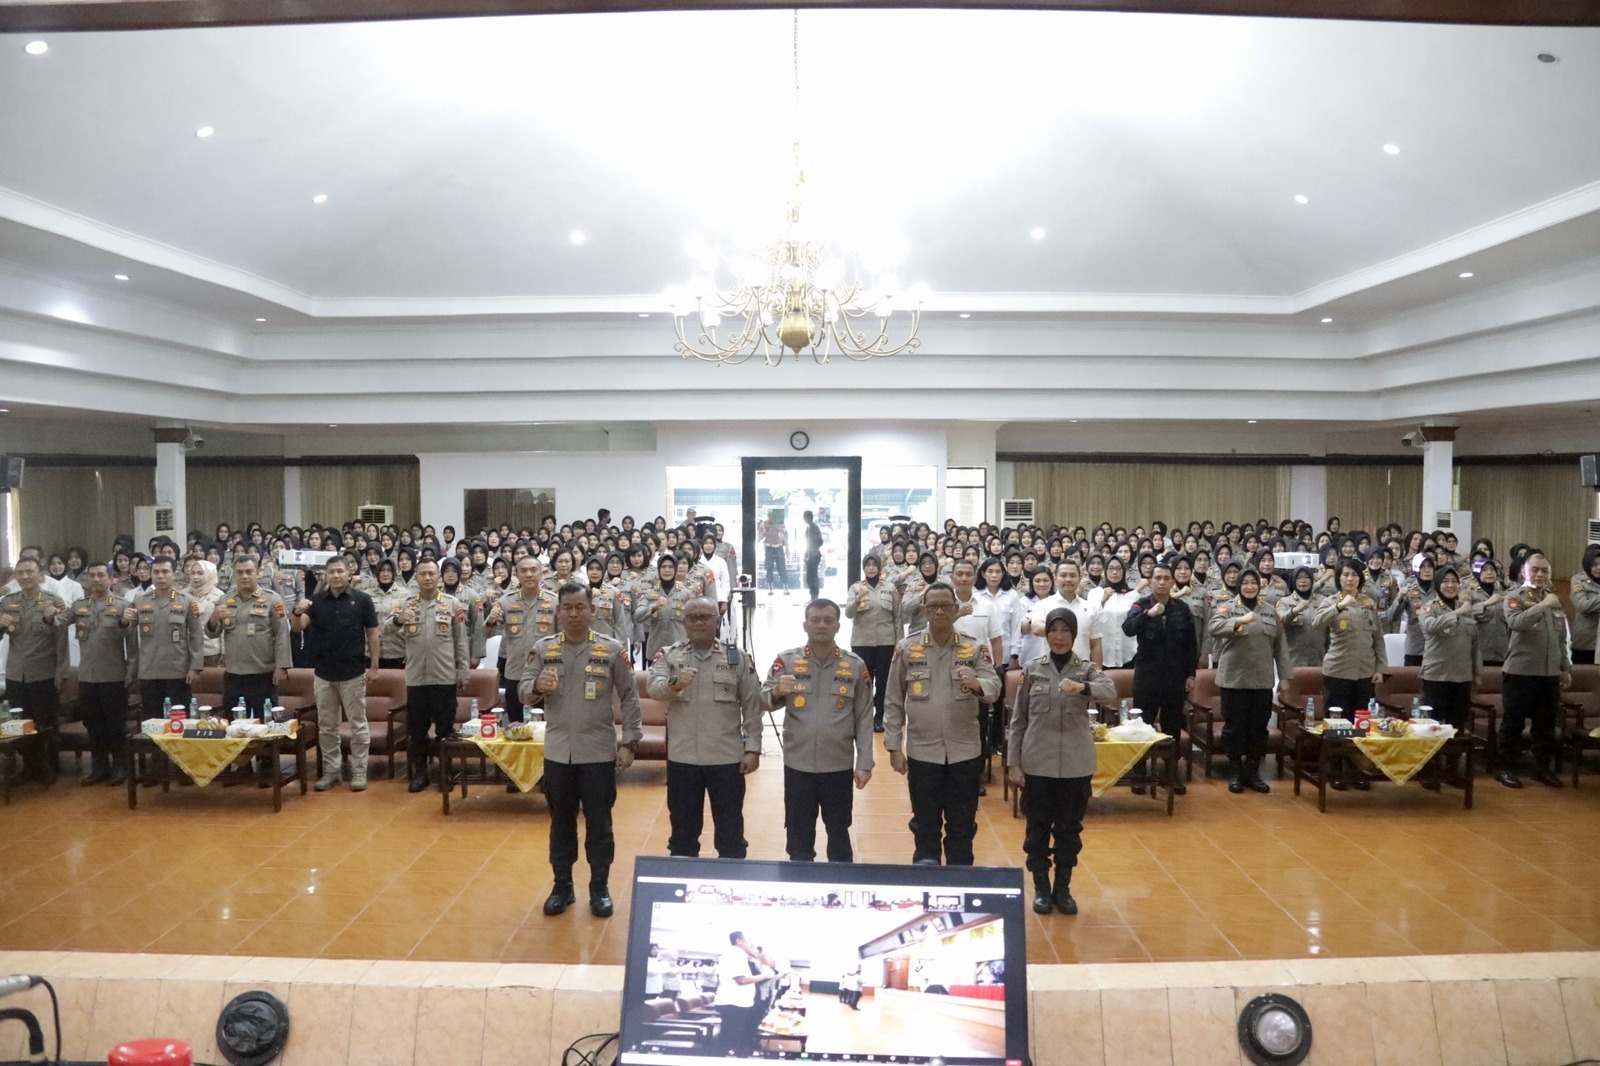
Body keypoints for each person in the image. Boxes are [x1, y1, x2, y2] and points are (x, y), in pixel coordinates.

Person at [521, 582, 642, 917]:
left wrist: (629, 742)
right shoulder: (543, 649)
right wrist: (535, 686)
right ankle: (563, 886)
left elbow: (630, 697)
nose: (573, 614)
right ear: (558, 611)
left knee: (600, 824)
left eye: (580, 607)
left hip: (599, 753)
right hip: (559, 753)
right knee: (560, 822)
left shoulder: (612, 649)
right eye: (567, 608)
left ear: (591, 610)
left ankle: (599, 887)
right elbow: (521, 691)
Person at [884, 581, 1001, 866]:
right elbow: (893, 699)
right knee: (925, 825)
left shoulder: (973, 648)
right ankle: (928, 881)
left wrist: (977, 684)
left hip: (965, 752)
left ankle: (960, 881)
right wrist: (893, 747)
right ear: (924, 610)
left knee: (962, 826)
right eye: (932, 606)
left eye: (945, 606)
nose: (939, 611)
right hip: (923, 752)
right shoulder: (907, 648)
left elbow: (994, 687)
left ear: (955, 609)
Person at [1007, 607, 1113, 915]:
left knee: (1069, 830)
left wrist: (1084, 688)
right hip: (1038, 764)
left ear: (1074, 635)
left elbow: (1110, 690)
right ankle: (1041, 886)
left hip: (1075, 766)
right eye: (1054, 630)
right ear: (1046, 634)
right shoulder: (1032, 668)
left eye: (1066, 631)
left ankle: (1062, 888)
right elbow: (1019, 720)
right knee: (1037, 829)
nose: (1059, 637)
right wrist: (1014, 763)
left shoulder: (1086, 668)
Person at [646, 597, 762, 859]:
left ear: (718, 621)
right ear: (684, 621)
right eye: (692, 617)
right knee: (683, 836)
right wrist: (674, 684)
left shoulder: (737, 657)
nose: (699, 622)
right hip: (683, 759)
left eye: (705, 617)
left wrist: (753, 747)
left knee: (731, 834)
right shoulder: (670, 654)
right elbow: (654, 688)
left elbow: (752, 704)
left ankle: (730, 885)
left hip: (726, 758)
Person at [761, 599, 875, 862]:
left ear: (838, 626)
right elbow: (760, 700)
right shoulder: (786, 661)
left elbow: (864, 717)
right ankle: (798, 888)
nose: (821, 625)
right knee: (798, 838)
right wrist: (778, 690)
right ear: (805, 625)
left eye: (827, 620)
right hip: (798, 765)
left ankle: (840, 888)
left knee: (839, 835)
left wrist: (865, 762)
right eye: (815, 620)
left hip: (838, 766)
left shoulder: (854, 665)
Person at [290, 557, 379, 792]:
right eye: (332, 572)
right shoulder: (316, 602)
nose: (336, 575)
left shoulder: (362, 600)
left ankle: (359, 770)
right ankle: (332, 772)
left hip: (353, 673)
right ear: (325, 576)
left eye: (340, 571)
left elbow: (372, 634)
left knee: (358, 725)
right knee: (327, 726)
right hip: (323, 675)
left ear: (349, 573)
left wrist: (375, 666)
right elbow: (298, 627)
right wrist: (296, 612)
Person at [1208, 569, 1293, 795]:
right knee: (1234, 730)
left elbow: (1281, 647)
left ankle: (1253, 773)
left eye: (1253, 583)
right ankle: (1235, 772)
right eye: (1244, 583)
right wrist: (1239, 621)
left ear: (1259, 586)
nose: (1248, 587)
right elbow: (1213, 628)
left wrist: (1284, 677)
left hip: (1261, 681)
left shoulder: (1269, 611)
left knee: (1258, 730)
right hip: (1233, 680)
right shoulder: (1228, 607)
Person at [391, 559, 470, 793]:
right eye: (422, 574)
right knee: (417, 730)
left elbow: (461, 640)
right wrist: (399, 619)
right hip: (416, 678)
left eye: (431, 574)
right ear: (416, 577)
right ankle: (421, 774)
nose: (427, 578)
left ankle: (445, 771)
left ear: (439, 577)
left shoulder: (451, 603)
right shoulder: (405, 604)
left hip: (444, 677)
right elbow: (386, 628)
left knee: (445, 729)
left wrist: (463, 670)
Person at [1120, 561, 1197, 795]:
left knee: (1172, 727)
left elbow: (1191, 646)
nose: (1162, 582)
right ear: (1150, 581)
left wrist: (1191, 674)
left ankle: (1171, 773)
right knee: (1142, 727)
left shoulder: (1182, 608)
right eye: (1158, 578)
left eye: (1166, 578)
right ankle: (1139, 772)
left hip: (1175, 678)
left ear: (1173, 582)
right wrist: (1148, 615)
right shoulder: (1140, 605)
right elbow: (1128, 628)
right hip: (1147, 677)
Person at [1496, 552, 1571, 789]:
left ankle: (1542, 768)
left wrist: (1564, 666)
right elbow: (1516, 623)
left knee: (1545, 724)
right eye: (1535, 570)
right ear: (1524, 573)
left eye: (1544, 571)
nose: (1540, 575)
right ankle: (1506, 768)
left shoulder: (1553, 598)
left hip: (1549, 672)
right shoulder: (1514, 596)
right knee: (1513, 723)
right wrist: (1541, 606)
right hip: (1521, 671)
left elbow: (1560, 637)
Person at [0, 558, 71, 784]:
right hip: (16, 673)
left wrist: (61, 671)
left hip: (44, 672)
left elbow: (61, 640)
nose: (25, 577)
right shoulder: (7, 602)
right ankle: (29, 766)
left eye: (29, 572)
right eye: (20, 573)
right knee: (20, 723)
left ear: (41, 574)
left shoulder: (53, 601)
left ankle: (48, 766)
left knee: (45, 723)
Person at [65, 561, 135, 785]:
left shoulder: (124, 605)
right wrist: (49, 613)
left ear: (111, 579)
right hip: (87, 677)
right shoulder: (79, 606)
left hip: (114, 676)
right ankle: (99, 767)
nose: (96, 579)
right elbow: (57, 622)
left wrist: (131, 674)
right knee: (93, 725)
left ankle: (120, 767)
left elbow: (131, 640)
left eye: (101, 575)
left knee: (115, 726)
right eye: (92, 576)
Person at [207, 556, 292, 717]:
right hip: (234, 674)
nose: (244, 576)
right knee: (233, 726)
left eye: (248, 572)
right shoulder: (225, 600)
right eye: (239, 572)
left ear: (258, 573)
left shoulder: (272, 599)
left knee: (265, 723)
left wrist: (282, 666)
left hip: (263, 674)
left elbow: (282, 635)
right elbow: (213, 633)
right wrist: (213, 618)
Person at [128, 556, 204, 722]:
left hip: (178, 671)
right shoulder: (140, 602)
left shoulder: (187, 601)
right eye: (156, 572)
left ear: (174, 574)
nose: (160, 576)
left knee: (179, 723)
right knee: (153, 723)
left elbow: (197, 635)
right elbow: (129, 634)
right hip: (149, 671)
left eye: (165, 571)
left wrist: (195, 667)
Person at [1313, 560, 1387, 717]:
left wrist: (1380, 668)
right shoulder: (1330, 602)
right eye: (1345, 574)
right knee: (1336, 725)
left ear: (1360, 578)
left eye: (1354, 575)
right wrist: (1339, 606)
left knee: (1362, 724)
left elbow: (1378, 638)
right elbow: (1317, 624)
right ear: (1339, 578)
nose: (1350, 579)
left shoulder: (1368, 603)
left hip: (1365, 673)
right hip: (1338, 672)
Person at [1419, 566, 1481, 738]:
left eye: (1454, 581)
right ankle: (1433, 763)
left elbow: (1474, 645)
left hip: (1462, 677)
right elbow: (1430, 626)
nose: (1450, 585)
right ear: (1438, 585)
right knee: (1433, 726)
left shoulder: (1466, 609)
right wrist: (1457, 612)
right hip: (1437, 676)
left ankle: (1453, 764)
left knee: (1458, 726)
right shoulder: (1429, 607)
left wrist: (1477, 673)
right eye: (1445, 581)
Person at [844, 556, 899, 733]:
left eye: (874, 565)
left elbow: (897, 618)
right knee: (864, 681)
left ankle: (879, 717)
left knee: (883, 682)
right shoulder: (855, 588)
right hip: (862, 642)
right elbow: (848, 613)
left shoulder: (890, 588)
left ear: (880, 567)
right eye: (867, 565)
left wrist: (899, 643)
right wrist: (857, 599)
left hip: (886, 641)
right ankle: (864, 716)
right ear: (863, 568)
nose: (871, 568)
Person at [714, 932, 780, 1055]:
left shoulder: (739, 955)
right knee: (729, 1041)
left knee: (734, 1039)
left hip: (738, 1003)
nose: (752, 943)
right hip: (733, 1003)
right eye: (749, 939)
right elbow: (742, 980)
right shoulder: (734, 955)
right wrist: (765, 975)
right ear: (739, 941)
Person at [634, 554, 694, 660]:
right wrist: (655, 606)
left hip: (679, 651)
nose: (667, 570)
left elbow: (693, 621)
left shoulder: (686, 594)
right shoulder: (649, 593)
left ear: (675, 569)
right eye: (663, 567)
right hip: (656, 652)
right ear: (658, 570)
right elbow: (638, 616)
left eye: (670, 567)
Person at [1569, 546, 1600, 665]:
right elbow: (1582, 605)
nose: (1599, 568)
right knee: (1584, 678)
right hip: (1586, 641)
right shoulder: (1578, 580)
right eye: (1594, 564)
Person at [803, 510, 824, 600]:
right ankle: (813, 595)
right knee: (810, 577)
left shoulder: (814, 528)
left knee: (812, 576)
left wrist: (813, 549)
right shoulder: (809, 527)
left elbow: (820, 541)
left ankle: (814, 596)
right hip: (810, 554)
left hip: (814, 554)